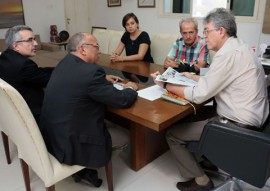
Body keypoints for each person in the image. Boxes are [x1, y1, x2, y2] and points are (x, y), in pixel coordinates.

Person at [151, 8, 269, 191]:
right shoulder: (239, 47)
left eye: (206, 31)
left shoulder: (226, 54)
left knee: (172, 134)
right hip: (255, 121)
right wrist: (192, 77)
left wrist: (165, 85)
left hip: (237, 126)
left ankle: (201, 181)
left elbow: (199, 94)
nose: (204, 36)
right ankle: (208, 159)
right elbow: (218, 78)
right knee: (193, 115)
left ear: (221, 31)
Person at [40, 32, 138, 187]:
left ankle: (83, 169)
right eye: (96, 46)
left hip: (53, 136)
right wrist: (130, 89)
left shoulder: (65, 62)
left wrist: (102, 79)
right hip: (71, 143)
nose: (99, 51)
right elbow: (122, 100)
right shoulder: (91, 73)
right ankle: (88, 165)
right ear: (83, 49)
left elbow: (78, 79)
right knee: (125, 136)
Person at [0, 25, 53, 124]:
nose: (36, 43)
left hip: (12, 112)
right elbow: (49, 81)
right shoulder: (24, 65)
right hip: (34, 115)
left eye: (34, 39)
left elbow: (36, 73)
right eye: (30, 40)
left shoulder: (5, 57)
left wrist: (56, 69)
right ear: (16, 46)